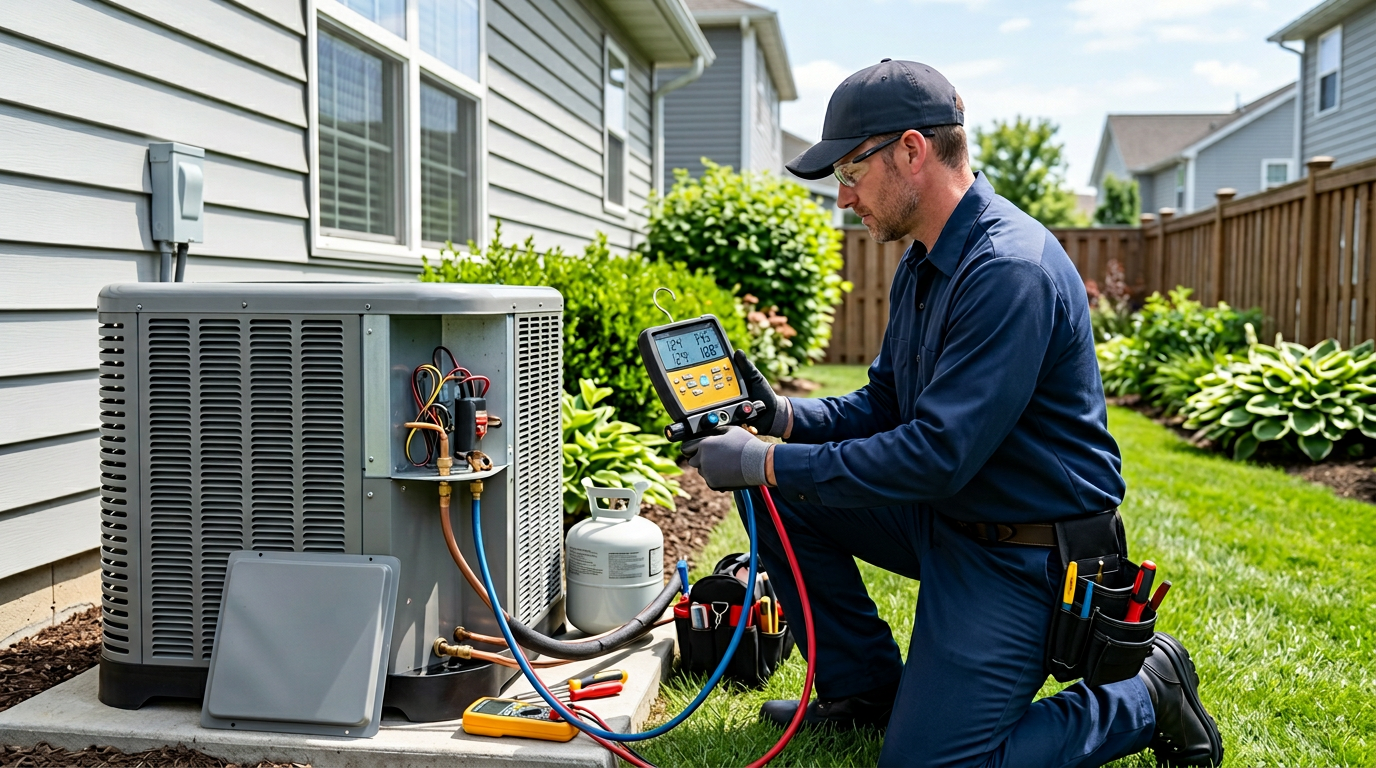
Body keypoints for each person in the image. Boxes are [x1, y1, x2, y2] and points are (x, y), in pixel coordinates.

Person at [681, 60, 1223, 767]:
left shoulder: (1008, 270)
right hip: (950, 516)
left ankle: (1147, 692)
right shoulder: (926, 257)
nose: (843, 197)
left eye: (850, 171)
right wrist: (782, 417)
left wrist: (765, 459)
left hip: (1024, 551)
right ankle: (866, 694)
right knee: (780, 499)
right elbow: (885, 404)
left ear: (911, 149)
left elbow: (935, 455)